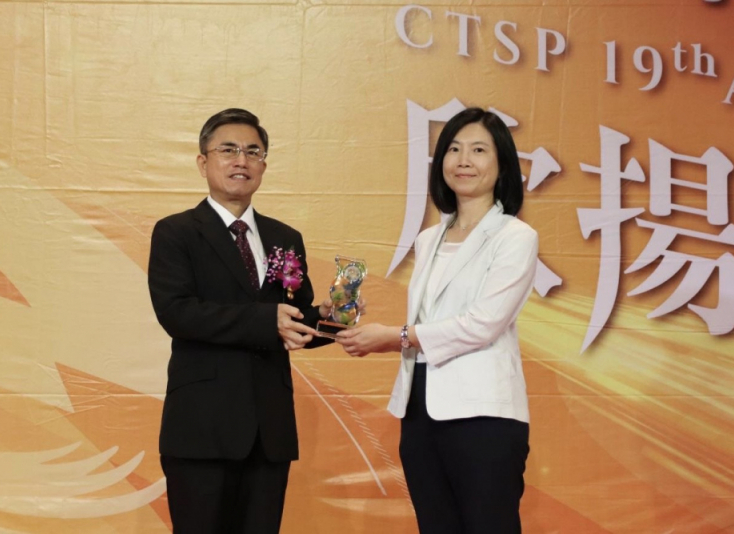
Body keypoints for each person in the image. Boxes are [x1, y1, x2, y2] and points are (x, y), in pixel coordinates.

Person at [336, 107, 538, 533]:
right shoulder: (430, 238)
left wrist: (394, 336)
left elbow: (483, 323)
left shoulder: (515, 237)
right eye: (454, 149)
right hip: (420, 406)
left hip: (483, 413)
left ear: (502, 165)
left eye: (478, 150)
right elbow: (432, 317)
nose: (463, 160)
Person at [147, 108, 332, 533]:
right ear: (203, 162)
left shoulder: (285, 237)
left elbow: (293, 319)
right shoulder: (176, 232)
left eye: (253, 151)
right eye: (228, 150)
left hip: (269, 431)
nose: (241, 160)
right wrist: (268, 320)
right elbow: (178, 312)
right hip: (202, 429)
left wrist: (329, 319)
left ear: (264, 165)